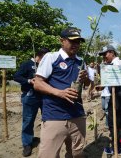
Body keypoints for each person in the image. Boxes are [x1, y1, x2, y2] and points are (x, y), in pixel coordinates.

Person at [34, 27, 90, 158]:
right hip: (55, 115)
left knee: (77, 152)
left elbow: (86, 85)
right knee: (48, 154)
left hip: (77, 115)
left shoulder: (81, 62)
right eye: (72, 41)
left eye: (78, 42)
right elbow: (38, 83)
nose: (76, 44)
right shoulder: (51, 57)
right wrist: (60, 93)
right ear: (62, 41)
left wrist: (85, 79)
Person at [14, 48, 49, 157]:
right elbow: (16, 76)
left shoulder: (45, 65)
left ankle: (48, 139)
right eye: (45, 57)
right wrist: (29, 81)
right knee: (28, 120)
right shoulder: (27, 64)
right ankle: (27, 144)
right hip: (30, 96)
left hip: (44, 96)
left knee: (47, 118)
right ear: (40, 56)